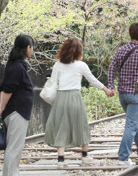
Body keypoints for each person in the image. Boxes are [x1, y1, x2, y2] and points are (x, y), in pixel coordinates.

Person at [45, 38, 114, 167]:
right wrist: (106, 90)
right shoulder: (81, 65)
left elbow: (53, 81)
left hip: (60, 97)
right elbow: (93, 80)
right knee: (81, 125)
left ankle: (61, 159)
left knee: (61, 126)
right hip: (75, 97)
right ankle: (84, 156)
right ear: (78, 51)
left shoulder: (58, 64)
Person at [0, 34, 35, 176]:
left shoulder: (15, 65)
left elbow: (5, 87)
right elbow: (8, 88)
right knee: (14, 146)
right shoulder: (17, 67)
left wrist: (1, 106)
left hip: (17, 111)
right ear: (27, 48)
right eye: (31, 47)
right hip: (17, 111)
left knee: (14, 145)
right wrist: (2, 107)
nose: (32, 50)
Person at [107, 22, 138, 166]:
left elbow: (111, 68)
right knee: (132, 125)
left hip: (122, 94)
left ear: (130, 33)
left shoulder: (120, 51)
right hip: (137, 95)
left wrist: (110, 86)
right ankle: (123, 157)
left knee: (136, 122)